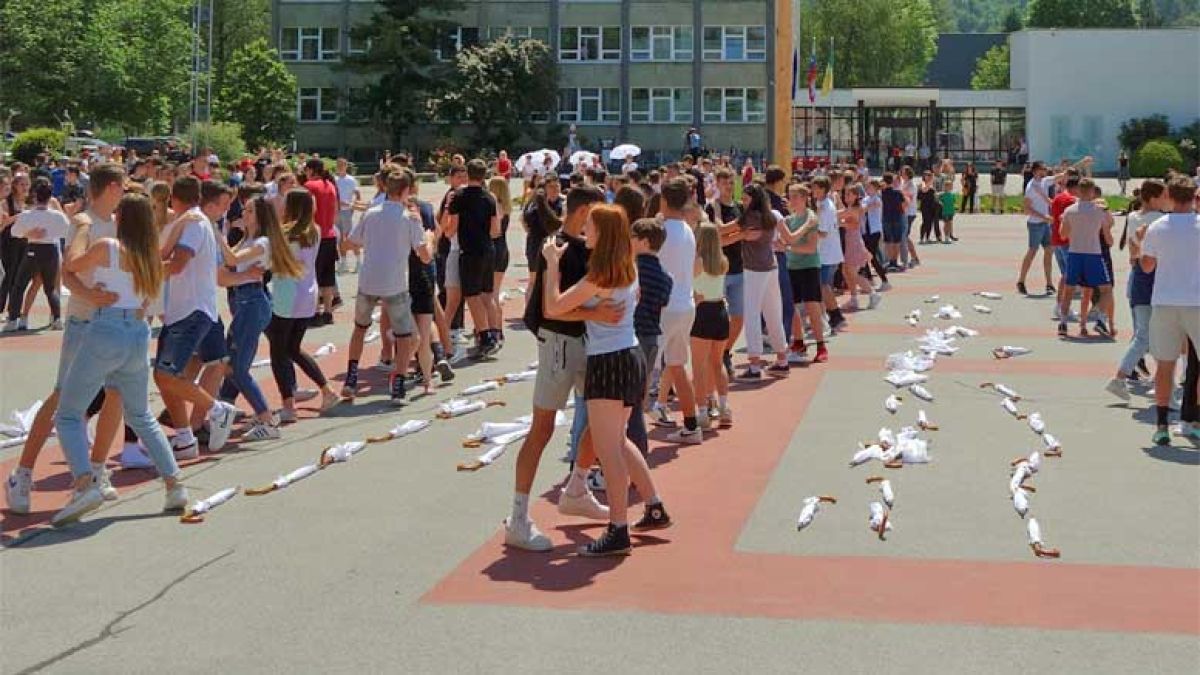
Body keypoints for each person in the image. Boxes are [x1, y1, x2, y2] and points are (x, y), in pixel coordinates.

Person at [50, 193, 189, 527]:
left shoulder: (109, 247)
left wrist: (83, 227)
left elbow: (71, 263)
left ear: (122, 219)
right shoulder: (150, 258)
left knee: (68, 414)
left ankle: (85, 483)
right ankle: (174, 485)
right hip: (137, 333)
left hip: (106, 327)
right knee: (140, 415)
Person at [542, 204, 671, 556]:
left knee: (608, 448)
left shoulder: (601, 274)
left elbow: (553, 307)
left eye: (590, 226)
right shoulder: (628, 268)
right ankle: (653, 505)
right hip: (630, 356)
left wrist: (552, 264)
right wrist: (592, 310)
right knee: (619, 440)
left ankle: (618, 528)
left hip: (608, 361)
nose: (585, 230)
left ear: (603, 233)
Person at [4, 164, 129, 514]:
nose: (127, 191)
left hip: (113, 322)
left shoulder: (120, 223)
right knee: (62, 395)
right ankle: (22, 474)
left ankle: (97, 470)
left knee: (116, 393)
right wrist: (92, 294)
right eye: (123, 186)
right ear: (112, 187)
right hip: (84, 320)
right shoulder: (84, 222)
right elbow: (68, 272)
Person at [505, 185, 612, 551]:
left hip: (583, 342)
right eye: (596, 212)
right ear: (583, 212)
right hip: (560, 344)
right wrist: (595, 313)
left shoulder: (581, 246)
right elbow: (550, 309)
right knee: (543, 427)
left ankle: (577, 486)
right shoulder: (559, 248)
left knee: (602, 417)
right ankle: (518, 516)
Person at [153, 176, 239, 454]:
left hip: (189, 311)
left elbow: (177, 264)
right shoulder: (193, 222)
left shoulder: (193, 224)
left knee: (166, 375)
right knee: (169, 375)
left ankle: (216, 411)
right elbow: (170, 258)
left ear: (173, 199)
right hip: (193, 309)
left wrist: (142, 274)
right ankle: (186, 436)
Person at [214, 196, 304, 440]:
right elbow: (226, 267)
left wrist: (217, 233)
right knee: (230, 363)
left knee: (238, 368)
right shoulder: (247, 240)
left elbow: (231, 260)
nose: (244, 214)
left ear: (261, 216)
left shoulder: (262, 242)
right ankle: (227, 407)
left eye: (250, 211)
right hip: (245, 301)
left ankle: (267, 419)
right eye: (245, 210)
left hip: (253, 303)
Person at [341, 171, 433, 405]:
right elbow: (424, 256)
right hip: (394, 283)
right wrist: (429, 238)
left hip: (368, 280)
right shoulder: (409, 218)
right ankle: (398, 384)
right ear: (406, 191)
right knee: (404, 335)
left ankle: (351, 378)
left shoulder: (371, 213)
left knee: (360, 328)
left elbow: (350, 242)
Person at [266, 189, 340, 423]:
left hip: (286, 295)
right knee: (293, 348)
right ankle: (326, 390)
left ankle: (288, 405)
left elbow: (273, 261)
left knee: (279, 351)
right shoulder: (314, 230)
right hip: (307, 293)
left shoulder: (286, 233)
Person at [1139, 175, 1200, 446]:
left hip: (1164, 301)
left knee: (1165, 365)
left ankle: (1162, 425)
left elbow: (1147, 266)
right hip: (1196, 301)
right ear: (1194, 197)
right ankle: (1195, 421)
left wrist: (1140, 244)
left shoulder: (1157, 226)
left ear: (1170, 197)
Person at [1107, 179, 1166, 400]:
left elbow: (1134, 248)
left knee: (1145, 333)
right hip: (1153, 277)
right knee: (1148, 335)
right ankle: (1121, 377)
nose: (1167, 200)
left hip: (1138, 275)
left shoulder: (1133, 216)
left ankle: (1152, 376)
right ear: (1153, 198)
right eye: (1164, 196)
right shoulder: (1159, 219)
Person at [657, 178, 705, 442]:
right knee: (677, 366)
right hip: (685, 305)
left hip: (664, 308)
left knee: (643, 370)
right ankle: (691, 424)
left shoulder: (661, 230)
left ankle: (628, 434)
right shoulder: (686, 229)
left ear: (664, 201)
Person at [446, 159, 501, 356]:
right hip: (488, 249)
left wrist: (446, 230)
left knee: (472, 295)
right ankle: (495, 333)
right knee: (487, 294)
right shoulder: (489, 197)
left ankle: (485, 337)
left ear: (468, 174)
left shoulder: (459, 196)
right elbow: (495, 230)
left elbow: (452, 227)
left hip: (470, 251)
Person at [738, 182, 790, 377]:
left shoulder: (751, 216)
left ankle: (754, 365)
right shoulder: (771, 215)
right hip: (770, 266)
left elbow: (730, 230)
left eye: (745, 199)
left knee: (752, 314)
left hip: (755, 269)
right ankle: (782, 360)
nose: (743, 202)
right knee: (773, 313)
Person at [5, 177, 68, 331]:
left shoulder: (27, 215)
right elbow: (66, 231)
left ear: (34, 196)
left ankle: (13, 320)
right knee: (50, 288)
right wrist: (50, 233)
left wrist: (29, 233)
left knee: (19, 286)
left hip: (33, 249)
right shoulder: (57, 215)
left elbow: (14, 232)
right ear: (50, 197)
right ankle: (57, 319)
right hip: (51, 250)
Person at [632, 217, 673, 442]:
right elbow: (663, 303)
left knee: (622, 401)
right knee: (640, 399)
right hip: (650, 338)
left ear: (645, 242)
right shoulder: (666, 277)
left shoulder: (632, 269)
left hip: (630, 337)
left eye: (633, 237)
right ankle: (639, 446)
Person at [1058, 179, 1115, 338]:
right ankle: (1100, 320)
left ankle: (1063, 322)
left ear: (1078, 190)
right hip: (1093, 253)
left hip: (1075, 252)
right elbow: (1108, 233)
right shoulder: (1100, 211)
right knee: (1106, 289)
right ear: (1092, 192)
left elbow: (1063, 234)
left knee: (1069, 289)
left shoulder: (1070, 210)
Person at [689, 223, 732, 428]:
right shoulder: (723, 262)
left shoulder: (698, 262)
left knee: (699, 366)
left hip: (703, 311)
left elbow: (687, 284)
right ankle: (724, 408)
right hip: (720, 311)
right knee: (717, 362)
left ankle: (702, 412)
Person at [779, 183, 827, 363]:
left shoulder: (811, 217)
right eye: (790, 196)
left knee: (811, 305)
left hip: (809, 267)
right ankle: (799, 342)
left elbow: (810, 248)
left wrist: (788, 247)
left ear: (805, 198)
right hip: (792, 267)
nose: (791, 200)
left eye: (795, 197)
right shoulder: (790, 219)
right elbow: (784, 241)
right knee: (791, 306)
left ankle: (821, 345)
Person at [706, 167, 745, 379]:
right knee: (718, 316)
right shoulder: (712, 207)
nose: (729, 186)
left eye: (731, 182)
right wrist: (739, 231)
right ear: (717, 185)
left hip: (739, 267)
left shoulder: (739, 207)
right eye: (724, 183)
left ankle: (725, 352)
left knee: (739, 317)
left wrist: (734, 233)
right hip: (720, 268)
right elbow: (718, 233)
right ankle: (715, 355)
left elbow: (729, 233)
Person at [303, 158, 340, 326]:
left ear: (311, 170)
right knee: (328, 276)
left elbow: (309, 210)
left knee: (314, 275)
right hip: (330, 233)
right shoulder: (330, 185)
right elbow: (336, 209)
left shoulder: (309, 186)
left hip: (315, 234)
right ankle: (328, 312)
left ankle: (315, 312)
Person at [813, 176, 847, 332]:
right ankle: (830, 315)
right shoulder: (821, 204)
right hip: (825, 252)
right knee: (823, 286)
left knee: (824, 286)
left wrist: (806, 231)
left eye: (816, 188)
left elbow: (823, 232)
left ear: (823, 189)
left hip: (827, 253)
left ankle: (836, 316)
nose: (813, 190)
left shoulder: (826, 207)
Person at [838, 185, 880, 310]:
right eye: (845, 194)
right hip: (851, 242)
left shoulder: (855, 208)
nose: (846, 197)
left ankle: (872, 293)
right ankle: (854, 298)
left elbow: (852, 224)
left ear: (856, 196)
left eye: (849, 194)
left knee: (852, 273)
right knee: (846, 271)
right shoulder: (852, 207)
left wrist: (839, 223)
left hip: (854, 243)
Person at [1018, 162, 1057, 296]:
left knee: (1049, 251)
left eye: (1045, 169)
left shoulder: (1045, 182)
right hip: (1035, 224)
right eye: (1042, 169)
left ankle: (1049, 284)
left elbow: (1063, 175)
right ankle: (1021, 281)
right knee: (1032, 252)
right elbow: (1026, 209)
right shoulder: (1031, 187)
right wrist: (1043, 217)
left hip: (1046, 224)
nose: (1045, 171)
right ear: (1035, 171)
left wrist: (1081, 163)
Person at [487, 176, 511, 346]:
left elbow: (493, 231)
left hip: (494, 249)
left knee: (491, 293)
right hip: (503, 248)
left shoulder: (495, 207)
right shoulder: (507, 208)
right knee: (495, 291)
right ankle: (498, 328)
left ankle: (494, 328)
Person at [334, 158, 360, 273]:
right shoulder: (334, 179)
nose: (340, 167)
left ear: (346, 166)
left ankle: (358, 261)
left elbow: (357, 194)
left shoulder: (351, 180)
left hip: (346, 211)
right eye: (338, 165)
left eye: (342, 165)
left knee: (349, 237)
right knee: (339, 238)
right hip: (336, 211)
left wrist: (353, 206)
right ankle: (343, 262)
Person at [917, 171, 942, 244]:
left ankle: (927, 238)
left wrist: (938, 197)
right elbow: (924, 190)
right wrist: (930, 182)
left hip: (932, 205)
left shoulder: (931, 184)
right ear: (924, 176)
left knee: (930, 222)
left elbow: (934, 194)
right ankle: (921, 238)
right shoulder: (922, 184)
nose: (928, 176)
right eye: (926, 175)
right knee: (925, 222)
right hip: (925, 206)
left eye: (929, 175)